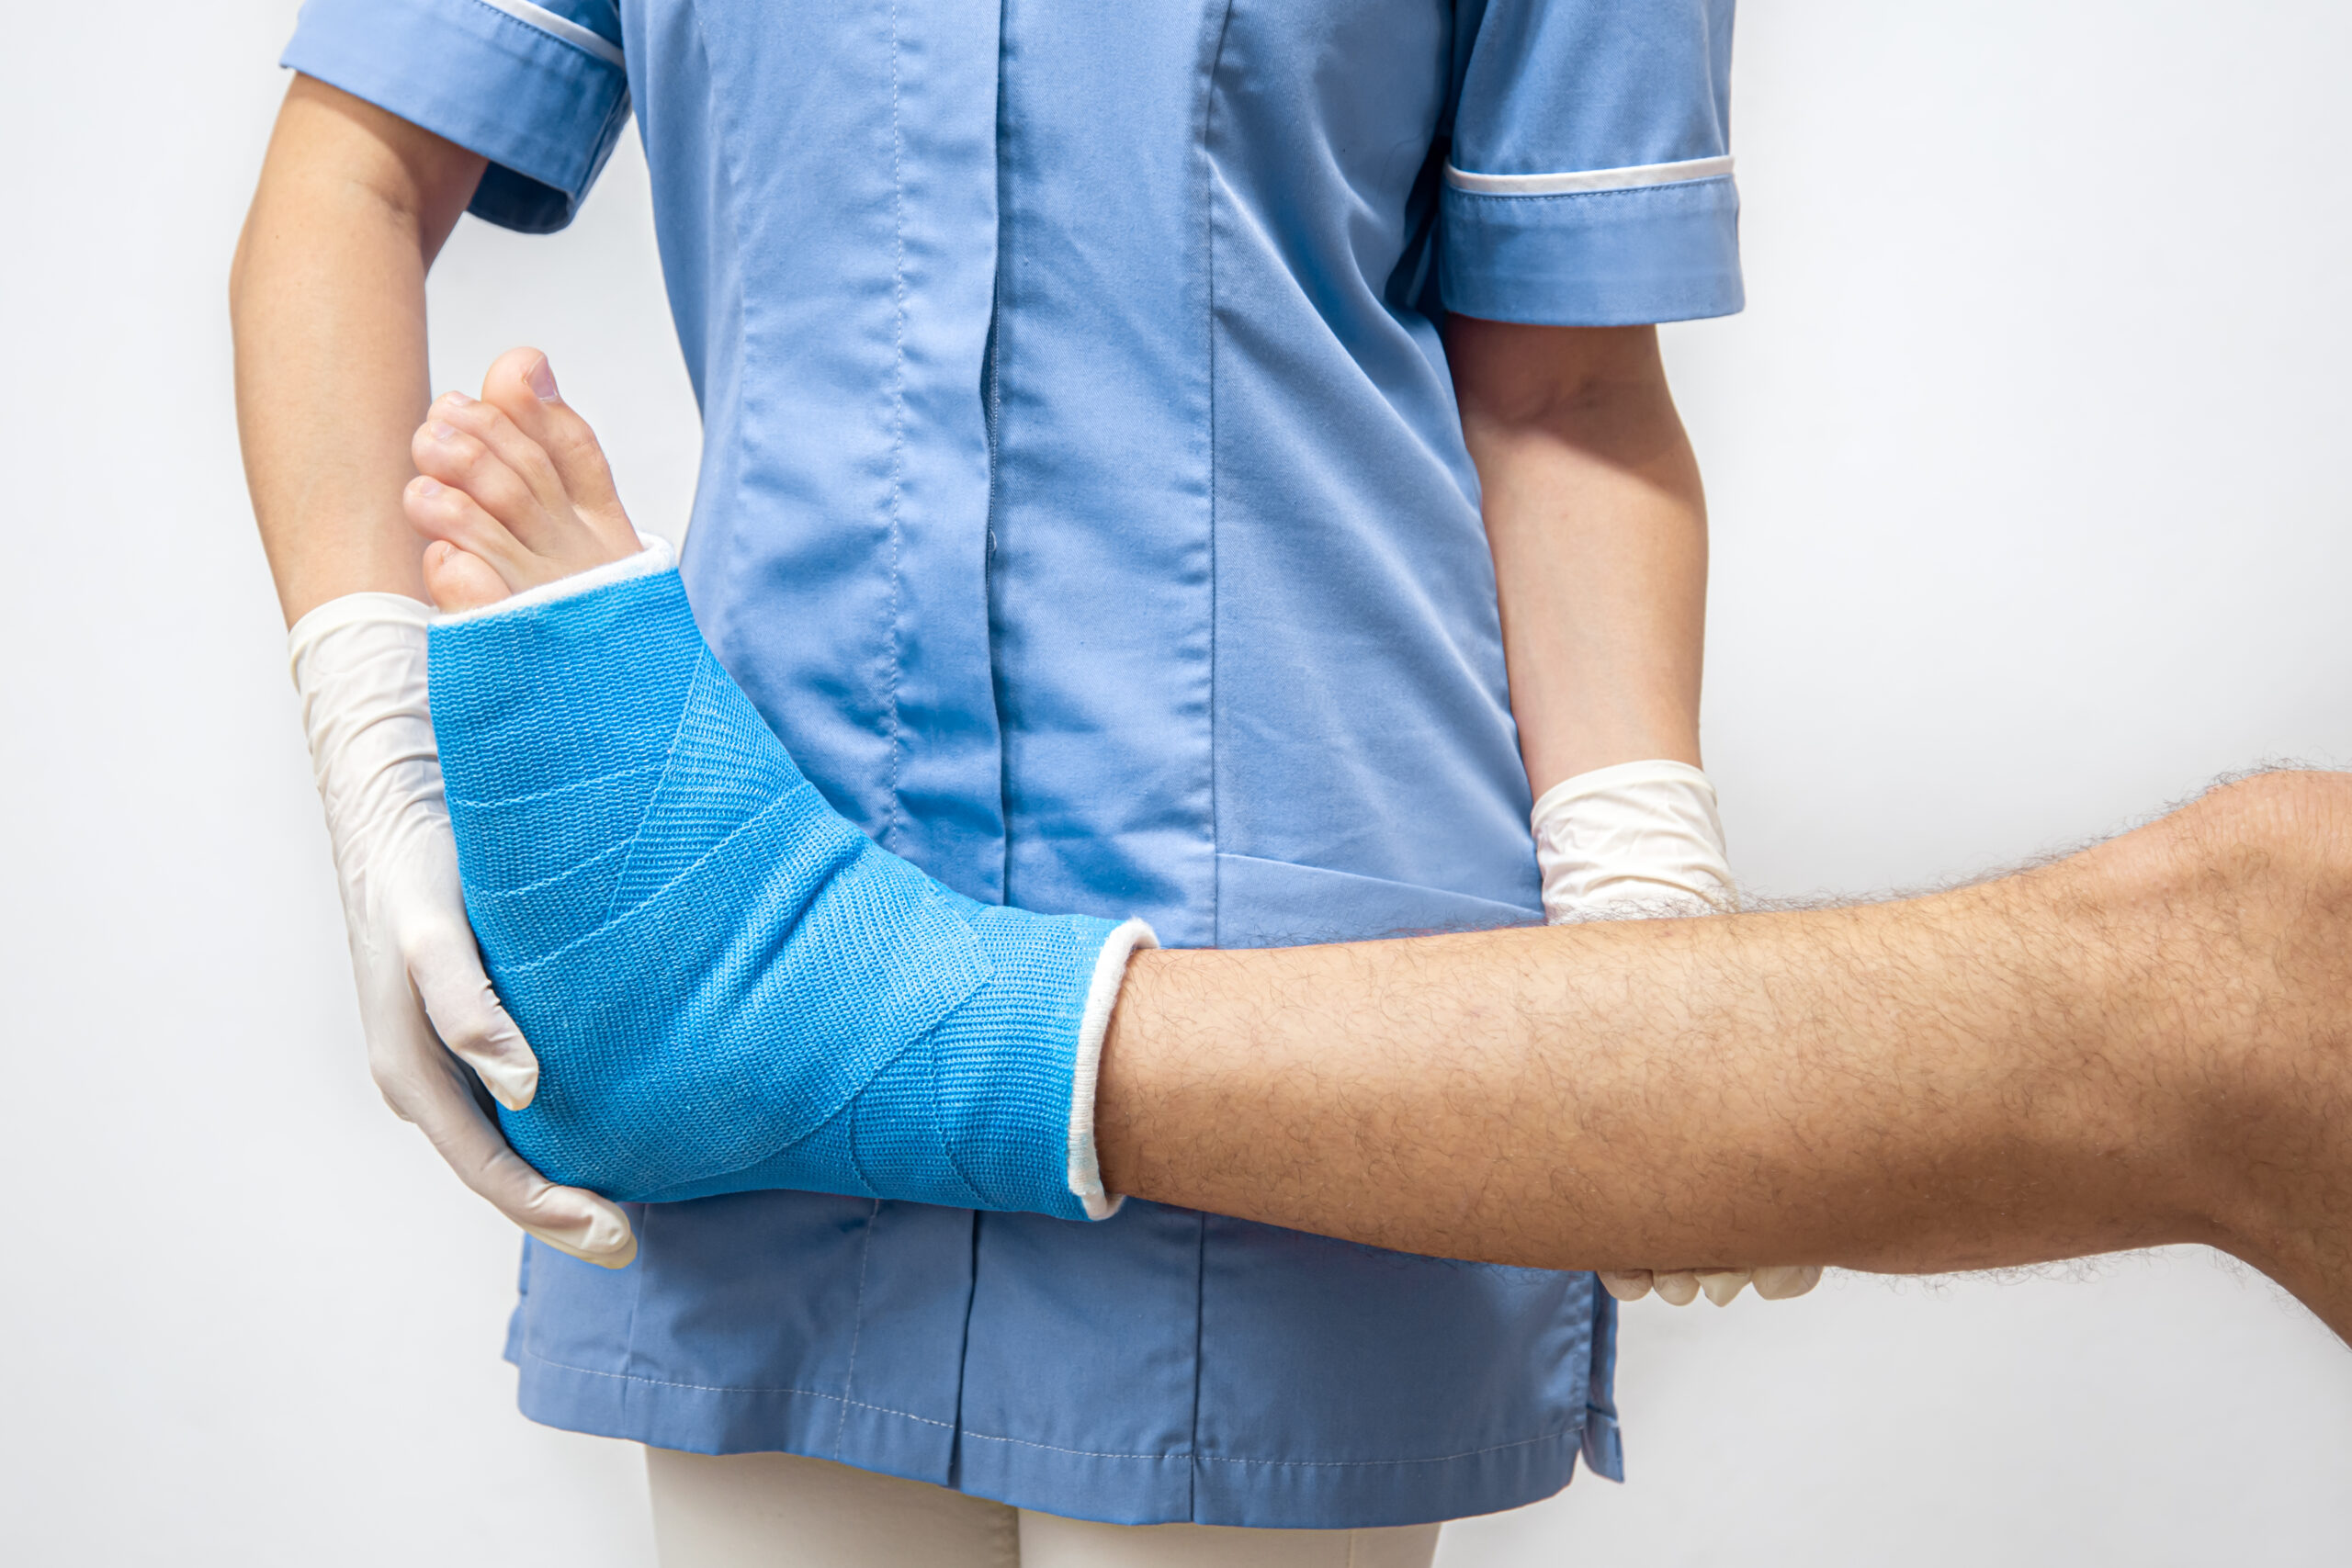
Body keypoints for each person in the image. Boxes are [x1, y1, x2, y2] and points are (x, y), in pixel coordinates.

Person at [233, 1, 1771, 1559]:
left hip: (1280, 979)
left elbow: (1563, 392)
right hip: (750, 947)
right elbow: (347, 173)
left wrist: (1643, 897)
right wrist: (380, 738)